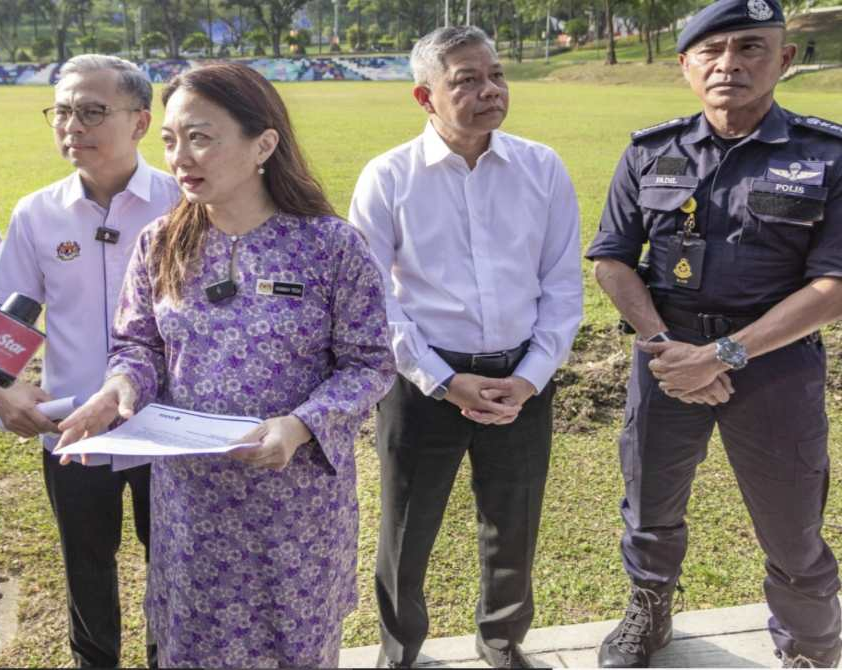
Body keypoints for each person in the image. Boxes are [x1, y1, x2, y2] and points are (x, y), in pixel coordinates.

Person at [56, 62, 396, 668]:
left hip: (296, 505)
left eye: (201, 137)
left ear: (263, 144)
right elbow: (138, 345)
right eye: (170, 140)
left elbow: (369, 364)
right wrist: (118, 389)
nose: (180, 157)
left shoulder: (330, 246)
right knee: (192, 647)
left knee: (296, 648)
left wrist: (301, 424)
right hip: (194, 506)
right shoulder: (160, 242)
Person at [585, 0, 842, 667]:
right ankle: (650, 613)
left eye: (751, 47)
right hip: (666, 359)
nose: (729, 64)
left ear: (785, 58)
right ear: (686, 65)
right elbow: (612, 259)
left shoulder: (827, 155)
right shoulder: (650, 151)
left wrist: (724, 354)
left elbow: (834, 285)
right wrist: (669, 350)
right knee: (649, 501)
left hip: (776, 365)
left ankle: (810, 647)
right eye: (712, 50)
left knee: (791, 522)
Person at [349, 26, 583, 669]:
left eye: (496, 75)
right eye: (468, 81)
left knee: (514, 521)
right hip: (423, 384)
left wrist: (530, 378)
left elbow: (563, 285)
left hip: (521, 381)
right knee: (406, 527)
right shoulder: (388, 177)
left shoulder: (542, 167)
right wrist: (443, 380)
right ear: (425, 96)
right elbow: (372, 300)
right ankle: (399, 650)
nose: (491, 91)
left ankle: (503, 642)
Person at [0, 54, 179, 668]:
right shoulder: (37, 212)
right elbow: (8, 318)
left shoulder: (183, 200)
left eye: (93, 111)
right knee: (85, 565)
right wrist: (3, 388)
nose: (73, 125)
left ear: (140, 122)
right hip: (73, 428)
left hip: (168, 429)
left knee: (174, 567)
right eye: (63, 111)